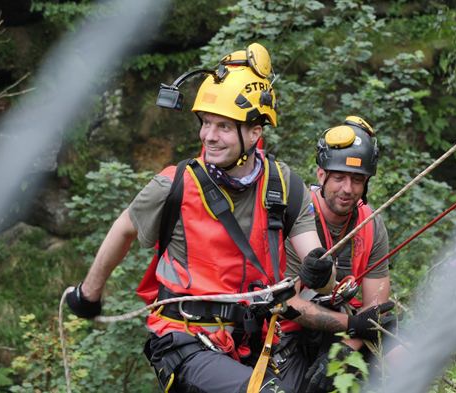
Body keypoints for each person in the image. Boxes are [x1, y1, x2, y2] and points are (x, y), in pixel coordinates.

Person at [65, 43, 336, 393]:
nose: (209, 135)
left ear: (255, 132)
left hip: (254, 341)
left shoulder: (284, 187)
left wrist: (321, 273)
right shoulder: (175, 184)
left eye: (223, 126)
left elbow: (321, 271)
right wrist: (89, 294)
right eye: (206, 123)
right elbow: (123, 230)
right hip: (185, 339)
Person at [273, 117, 393, 393]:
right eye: (339, 177)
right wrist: (353, 325)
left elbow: (376, 305)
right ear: (321, 175)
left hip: (351, 332)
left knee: (403, 357)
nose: (347, 189)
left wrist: (345, 351)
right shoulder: (298, 217)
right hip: (291, 333)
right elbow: (288, 303)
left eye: (357, 180)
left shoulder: (370, 224)